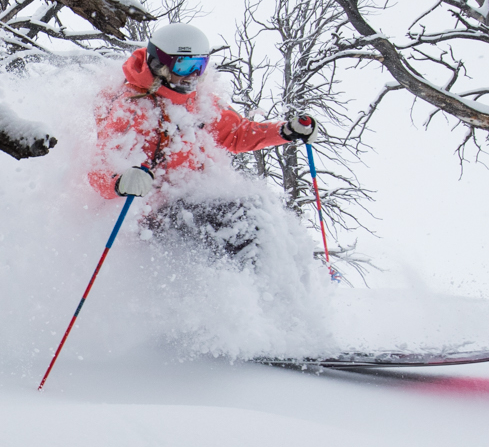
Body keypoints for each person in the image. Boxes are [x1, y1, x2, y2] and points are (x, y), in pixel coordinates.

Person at [89, 20, 319, 264]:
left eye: (200, 65)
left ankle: (283, 272)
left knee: (258, 211)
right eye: (185, 65)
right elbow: (99, 168)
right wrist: (121, 181)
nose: (193, 75)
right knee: (239, 216)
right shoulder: (132, 106)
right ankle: (250, 276)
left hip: (194, 199)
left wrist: (285, 131)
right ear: (160, 64)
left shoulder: (200, 100)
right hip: (152, 214)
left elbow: (237, 133)